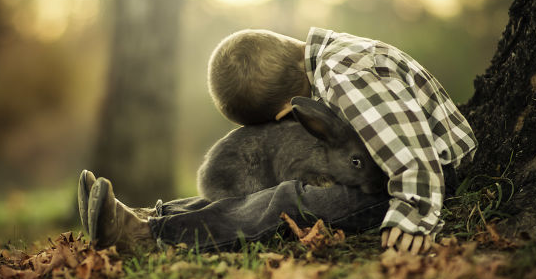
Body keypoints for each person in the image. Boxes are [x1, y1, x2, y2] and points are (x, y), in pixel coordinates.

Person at [78, 27, 477, 255]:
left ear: (287, 115)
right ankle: (151, 217)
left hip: (426, 182)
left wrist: (414, 212)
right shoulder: (337, 56)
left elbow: (407, 147)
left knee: (289, 199)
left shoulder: (346, 80)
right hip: (399, 174)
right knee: (253, 197)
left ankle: (150, 237)